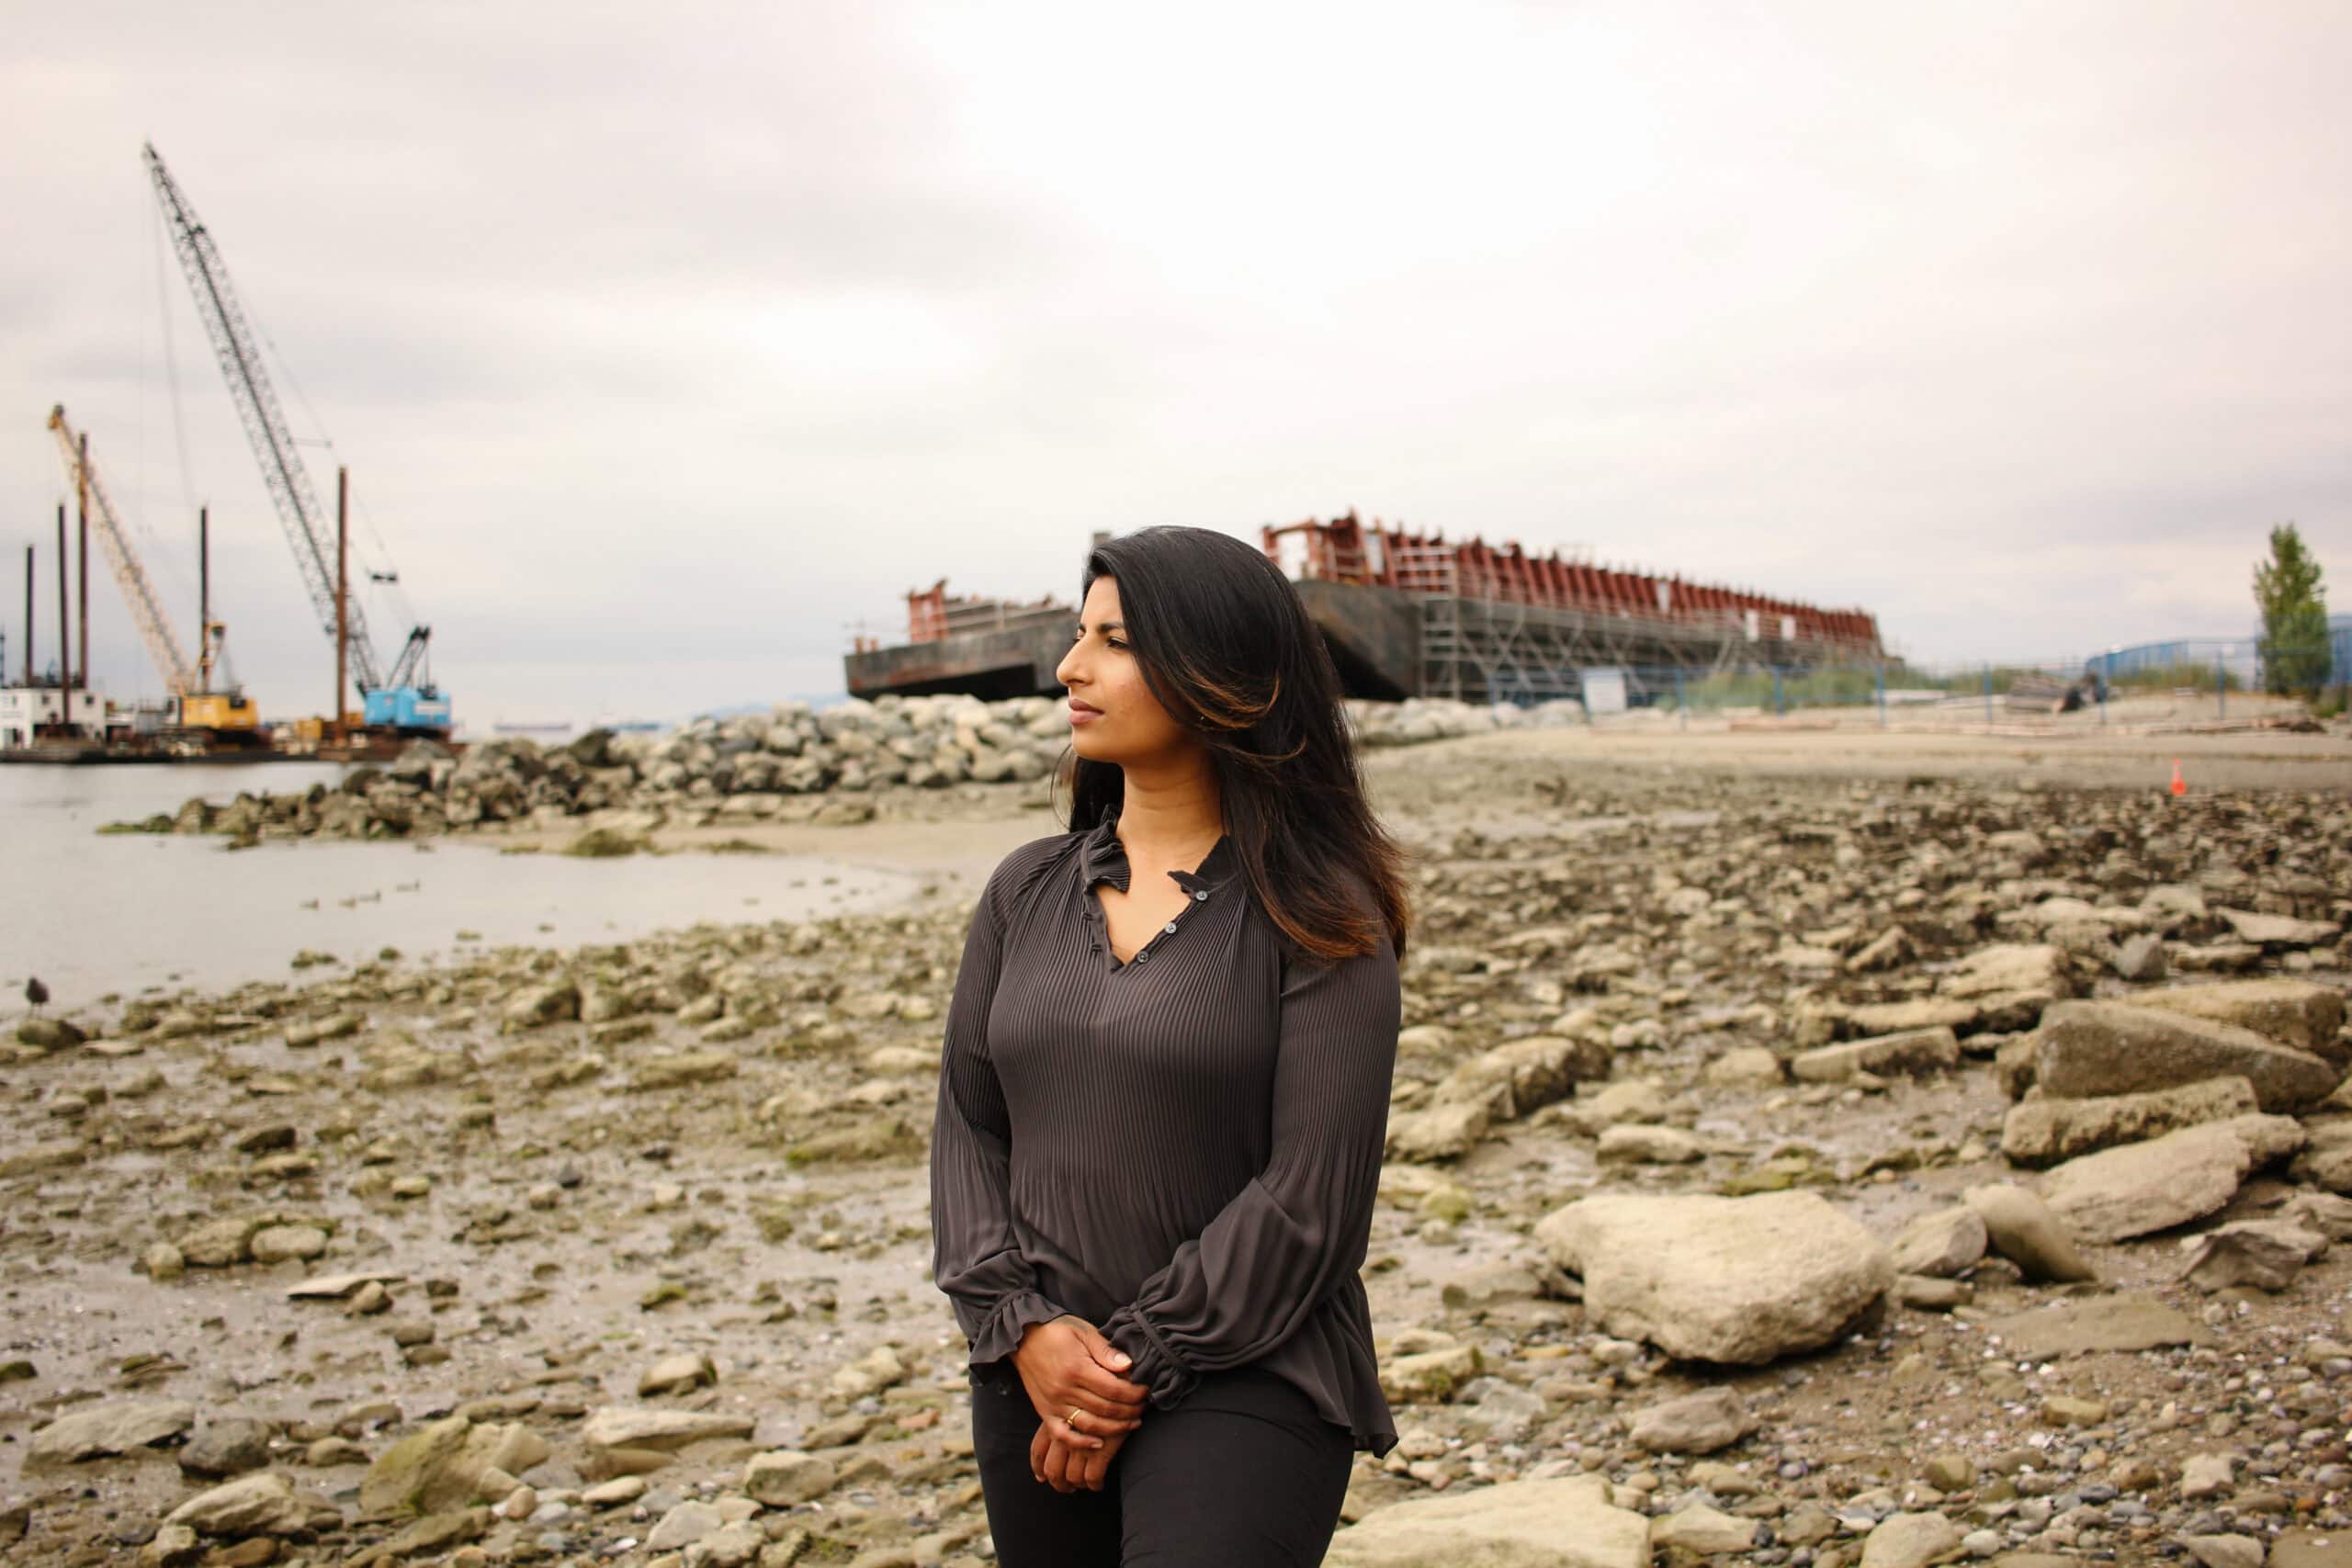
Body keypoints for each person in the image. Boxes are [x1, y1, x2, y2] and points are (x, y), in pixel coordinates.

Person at [930, 525, 1412, 1567]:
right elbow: (969, 1128)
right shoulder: (1025, 889)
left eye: (1113, 640)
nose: (1069, 666)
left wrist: (1132, 1360)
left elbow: (1313, 1201)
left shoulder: (1321, 917)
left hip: (1251, 1369)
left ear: (1218, 673)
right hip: (1038, 1370)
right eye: (1077, 635)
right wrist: (1020, 1327)